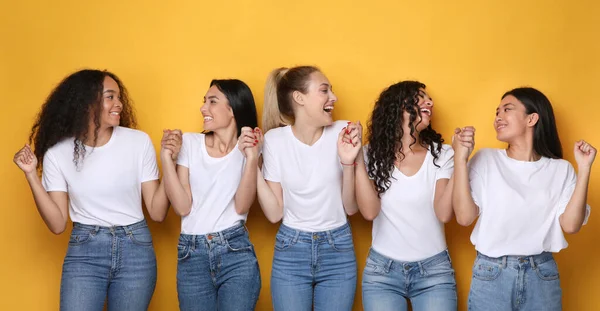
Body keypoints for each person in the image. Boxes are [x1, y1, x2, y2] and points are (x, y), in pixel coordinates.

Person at [13, 69, 168, 311]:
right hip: (85, 251)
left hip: (135, 250)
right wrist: (31, 174)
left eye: (119, 97)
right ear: (87, 103)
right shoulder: (58, 154)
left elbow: (158, 213)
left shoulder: (138, 142)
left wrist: (170, 161)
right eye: (110, 97)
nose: (119, 104)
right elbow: (57, 224)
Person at [452, 87, 595, 311]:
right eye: (496, 112)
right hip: (492, 274)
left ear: (532, 118)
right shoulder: (485, 159)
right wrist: (460, 159)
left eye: (507, 109)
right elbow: (463, 217)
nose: (498, 117)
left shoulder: (561, 169)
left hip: (542, 274)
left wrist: (584, 168)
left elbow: (571, 225)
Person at [258, 66, 361, 311]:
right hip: (291, 250)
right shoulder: (274, 140)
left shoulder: (343, 131)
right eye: (324, 90)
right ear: (299, 98)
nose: (333, 98)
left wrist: (349, 162)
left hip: (338, 248)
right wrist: (252, 163)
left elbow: (351, 207)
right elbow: (274, 214)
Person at [160, 79, 262, 311]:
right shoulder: (190, 143)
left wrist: (252, 158)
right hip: (191, 253)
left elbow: (242, 206)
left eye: (212, 101)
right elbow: (183, 207)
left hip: (235, 251)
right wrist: (167, 158)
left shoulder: (249, 148)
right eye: (204, 101)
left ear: (233, 108)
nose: (203, 108)